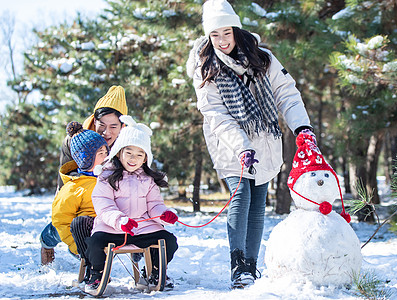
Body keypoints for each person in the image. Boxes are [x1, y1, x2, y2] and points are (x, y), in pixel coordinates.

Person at [186, 0, 314, 289]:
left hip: (265, 140)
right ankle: (237, 264)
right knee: (240, 195)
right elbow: (216, 114)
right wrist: (242, 146)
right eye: (214, 35)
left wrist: (302, 127)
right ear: (208, 36)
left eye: (226, 33)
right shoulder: (205, 67)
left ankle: (251, 266)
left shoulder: (263, 58)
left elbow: (287, 94)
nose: (221, 41)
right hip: (229, 142)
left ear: (235, 29)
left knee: (258, 202)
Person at [85, 115, 178, 293]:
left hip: (141, 227)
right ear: (119, 152)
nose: (133, 159)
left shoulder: (148, 179)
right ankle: (97, 274)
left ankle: (154, 272)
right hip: (112, 227)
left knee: (168, 241)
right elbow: (104, 205)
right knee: (95, 242)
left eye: (139, 154)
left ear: (145, 158)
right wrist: (120, 220)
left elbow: (154, 204)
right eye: (128, 153)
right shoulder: (106, 176)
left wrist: (164, 214)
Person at [40, 85, 128, 265]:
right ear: (94, 121)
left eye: (113, 126)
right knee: (64, 223)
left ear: (123, 126)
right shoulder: (75, 141)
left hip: (108, 200)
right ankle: (46, 242)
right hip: (79, 191)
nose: (106, 132)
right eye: (101, 125)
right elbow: (66, 176)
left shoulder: (128, 144)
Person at [51, 121, 109, 285]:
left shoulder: (110, 179)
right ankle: (94, 270)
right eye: (101, 154)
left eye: (106, 152)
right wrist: (75, 245)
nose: (106, 157)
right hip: (88, 237)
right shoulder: (74, 188)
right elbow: (61, 219)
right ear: (86, 158)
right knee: (80, 222)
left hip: (112, 228)